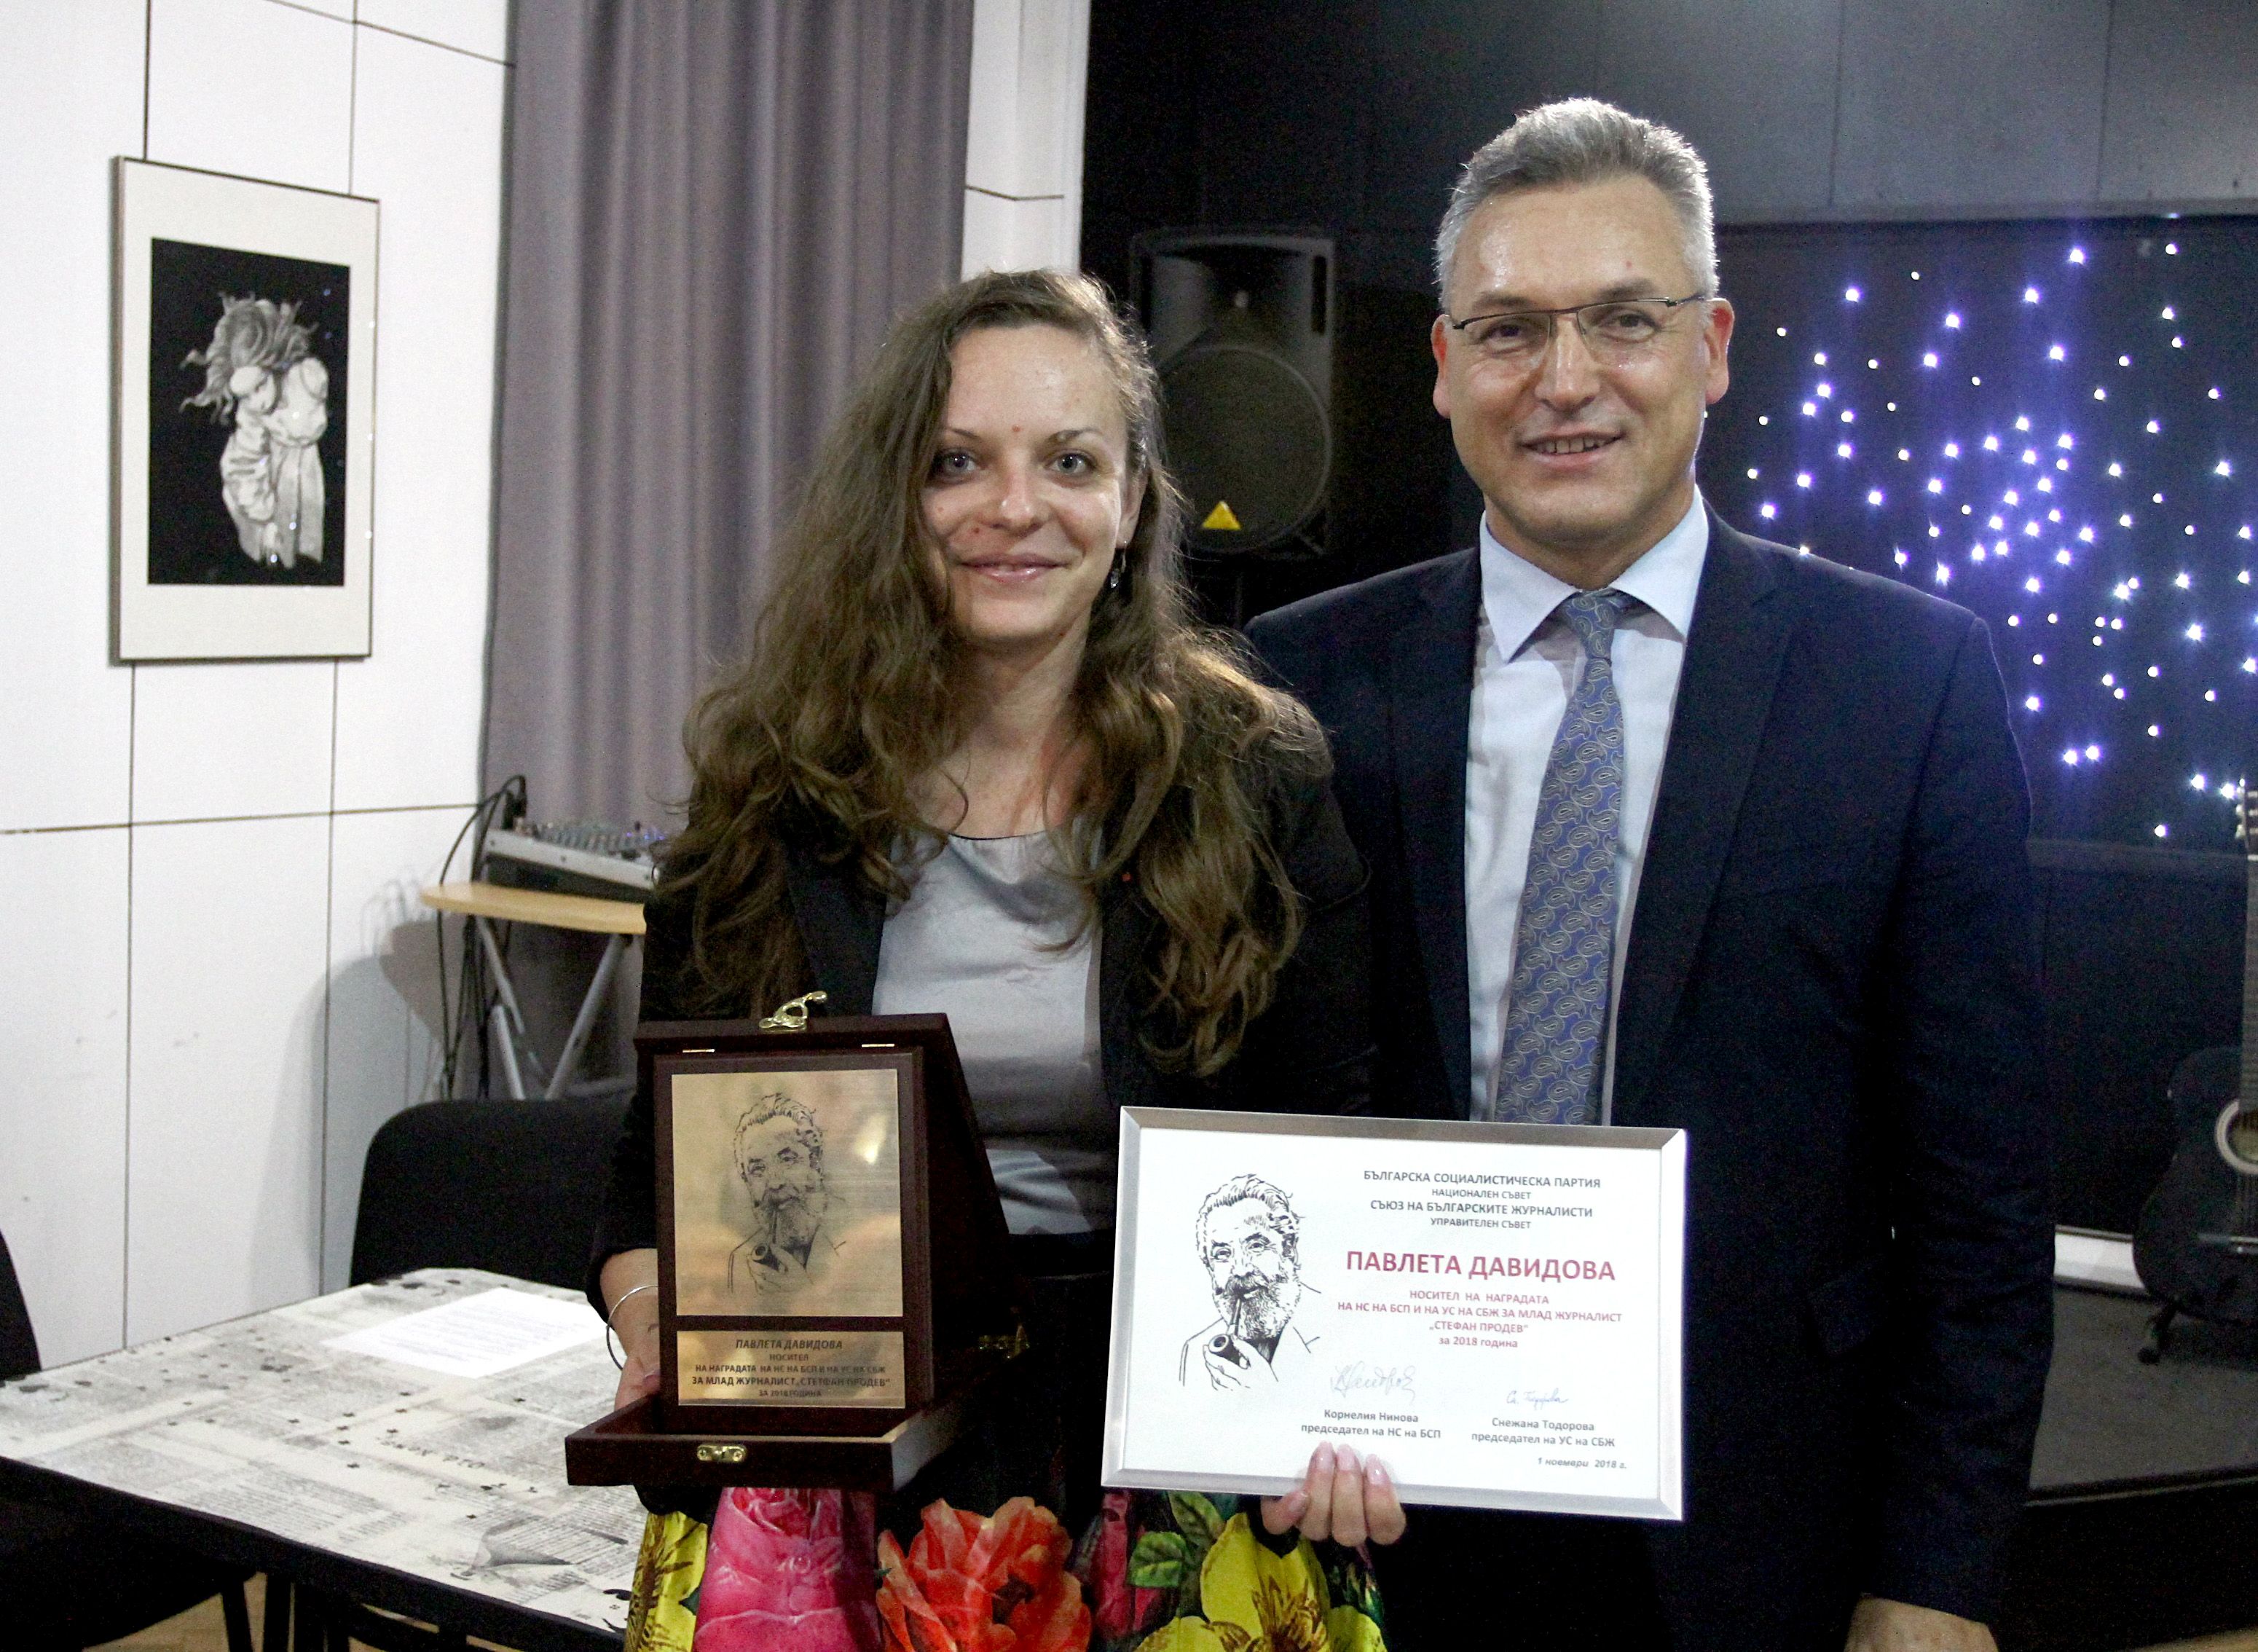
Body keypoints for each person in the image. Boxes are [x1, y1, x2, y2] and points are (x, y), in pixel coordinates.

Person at [1246, 101, 2053, 1651]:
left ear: (1712, 345)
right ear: (1443, 366)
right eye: (1508, 330)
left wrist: (1937, 1574)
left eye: (1623, 318)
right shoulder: (1295, 682)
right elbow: (1249, 1089)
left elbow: (1981, 1197)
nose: (1565, 379)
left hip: (1766, 1520)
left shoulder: (1907, 684)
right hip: (1379, 1517)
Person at [588, 268, 1382, 1537]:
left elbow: (1341, 1156)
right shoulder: (768, 786)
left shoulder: (1258, 777)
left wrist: (1347, 1404)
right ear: (897, 498)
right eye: (957, 462)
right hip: (842, 1440)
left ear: (1131, 502)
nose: (1017, 508)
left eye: (1070, 461)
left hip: (1170, 1441)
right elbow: (654, 1180)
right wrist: (653, 1331)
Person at [1179, 1174, 1318, 1389]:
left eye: (1256, 1247)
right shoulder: (1197, 1351)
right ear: (1210, 1267)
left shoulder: (1338, 1329)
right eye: (1223, 1254)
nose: (1241, 1270)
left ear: (1289, 1250)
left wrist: (1266, 1396)